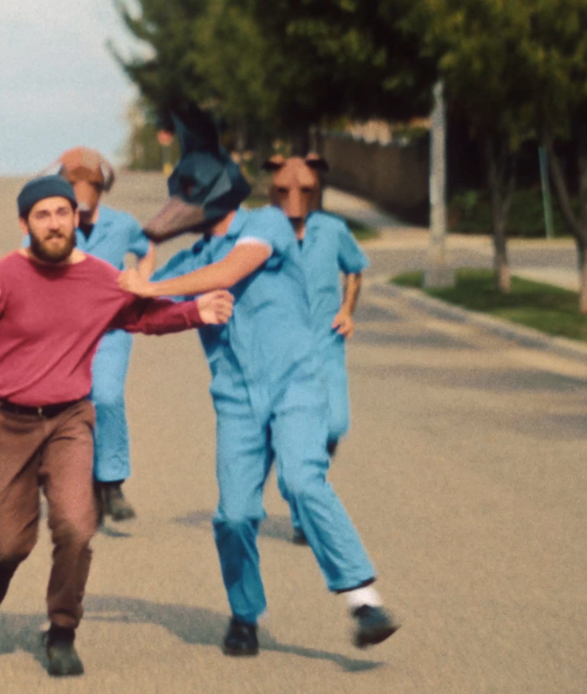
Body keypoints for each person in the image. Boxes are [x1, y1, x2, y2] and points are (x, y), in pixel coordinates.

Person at [122, 115, 399, 655]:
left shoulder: (266, 225)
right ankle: (244, 614)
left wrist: (153, 285)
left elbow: (229, 273)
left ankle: (364, 600)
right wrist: (122, 292)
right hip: (235, 400)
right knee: (234, 515)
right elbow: (140, 312)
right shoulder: (189, 259)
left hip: (296, 385)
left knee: (302, 480)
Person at [0, 175, 233, 677]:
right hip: (5, 422)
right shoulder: (2, 277)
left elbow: (143, 316)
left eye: (61, 212)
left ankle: (62, 630)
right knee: (10, 542)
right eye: (42, 215)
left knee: (76, 525)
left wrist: (195, 312)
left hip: (70, 419)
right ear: (24, 223)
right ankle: (0, 563)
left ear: (77, 217)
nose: (54, 223)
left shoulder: (101, 278)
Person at [42, 147, 154, 525]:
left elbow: (146, 248)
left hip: (111, 330)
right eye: (74, 186)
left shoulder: (122, 224)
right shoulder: (51, 224)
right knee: (68, 407)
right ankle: (73, 483)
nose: (83, 193)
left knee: (106, 398)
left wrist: (142, 279)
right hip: (62, 336)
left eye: (91, 185)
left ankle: (111, 484)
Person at [267, 156, 368, 546]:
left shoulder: (333, 229)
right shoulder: (263, 230)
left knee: (335, 424)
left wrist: (346, 309)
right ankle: (302, 513)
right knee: (295, 433)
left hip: (327, 343)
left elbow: (355, 269)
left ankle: (305, 479)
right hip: (281, 351)